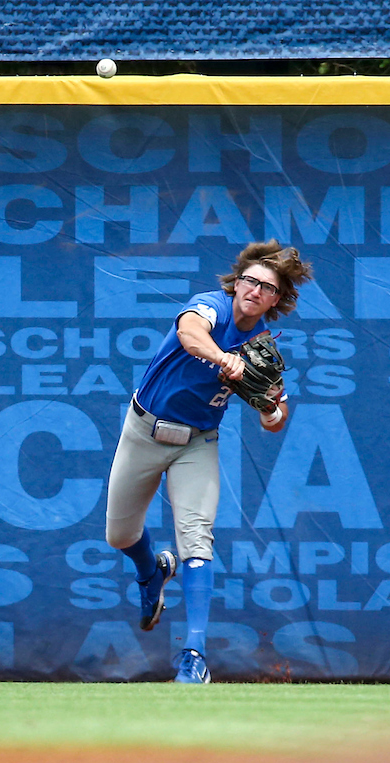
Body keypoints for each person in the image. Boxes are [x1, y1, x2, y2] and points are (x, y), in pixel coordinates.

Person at [104, 240, 313, 683]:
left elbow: (276, 416)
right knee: (119, 534)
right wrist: (222, 358)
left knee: (196, 540)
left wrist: (270, 410)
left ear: (277, 299)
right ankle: (151, 572)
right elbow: (189, 332)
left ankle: (194, 656)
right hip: (144, 430)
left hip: (197, 443)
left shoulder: (261, 345)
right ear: (236, 284)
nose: (255, 291)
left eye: (267, 287)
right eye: (250, 281)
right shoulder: (210, 305)